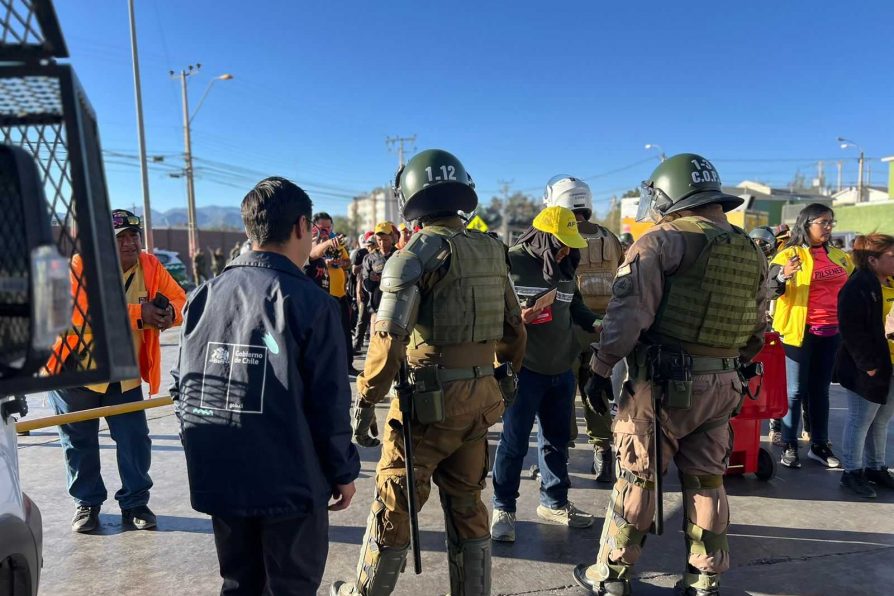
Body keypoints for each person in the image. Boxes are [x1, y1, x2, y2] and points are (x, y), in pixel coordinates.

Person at [331, 149, 526, 596]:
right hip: (479, 400)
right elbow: (514, 330)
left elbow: (387, 341)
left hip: (427, 403)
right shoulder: (492, 249)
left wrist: (365, 400)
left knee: (395, 503)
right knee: (468, 503)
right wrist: (504, 381)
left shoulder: (413, 255)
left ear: (412, 196)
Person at [573, 154, 767, 596]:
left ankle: (613, 575)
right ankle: (705, 579)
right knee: (707, 480)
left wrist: (601, 369)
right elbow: (758, 325)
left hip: (662, 387)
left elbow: (627, 317)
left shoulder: (660, 242)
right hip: (723, 385)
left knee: (638, 475)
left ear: (669, 195)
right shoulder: (748, 249)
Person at [171, 177, 360, 595]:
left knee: (238, 583)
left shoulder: (201, 297)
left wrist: (201, 447)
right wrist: (343, 471)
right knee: (291, 586)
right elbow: (329, 404)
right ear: (301, 227)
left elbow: (182, 387)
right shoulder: (312, 303)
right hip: (290, 483)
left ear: (248, 230)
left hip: (220, 473)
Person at [45, 209, 186, 533]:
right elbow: (80, 315)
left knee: (135, 440)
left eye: (134, 236)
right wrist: (141, 313)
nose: (130, 243)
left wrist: (170, 315)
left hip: (123, 372)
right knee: (79, 444)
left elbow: (180, 298)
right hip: (76, 373)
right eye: (120, 238)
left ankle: (135, 502)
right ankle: (87, 504)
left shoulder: (150, 265)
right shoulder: (82, 266)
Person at [490, 205, 600, 543]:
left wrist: (594, 323)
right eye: (560, 243)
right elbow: (488, 310)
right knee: (514, 443)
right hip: (524, 371)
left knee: (556, 442)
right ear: (541, 239)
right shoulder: (510, 263)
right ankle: (503, 508)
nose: (566, 250)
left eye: (569, 243)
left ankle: (554, 502)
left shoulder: (565, 266)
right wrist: (516, 320)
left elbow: (574, 304)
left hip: (561, 369)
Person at [543, 175, 625, 482]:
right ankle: (603, 453)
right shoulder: (610, 237)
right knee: (597, 391)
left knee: (560, 392)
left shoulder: (555, 236)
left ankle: (557, 455)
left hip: (566, 325)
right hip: (603, 328)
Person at [769, 203, 853, 469]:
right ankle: (789, 443)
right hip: (798, 332)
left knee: (820, 390)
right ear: (806, 225)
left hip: (832, 333)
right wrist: (783, 276)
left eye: (831, 222)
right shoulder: (788, 255)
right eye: (822, 222)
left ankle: (819, 444)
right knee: (794, 392)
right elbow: (769, 289)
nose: (828, 227)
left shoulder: (841, 257)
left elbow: (851, 292)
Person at [835, 234, 894, 498]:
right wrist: (868, 365)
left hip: (890, 365)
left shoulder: (889, 283)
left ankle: (876, 467)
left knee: (881, 419)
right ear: (873, 260)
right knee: (861, 420)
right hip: (869, 367)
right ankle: (852, 472)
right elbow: (852, 330)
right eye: (892, 256)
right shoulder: (858, 286)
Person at [311, 212, 357, 374]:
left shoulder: (337, 242)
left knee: (345, 332)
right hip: (323, 296)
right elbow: (312, 256)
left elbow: (347, 262)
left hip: (340, 294)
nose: (327, 231)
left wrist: (339, 262)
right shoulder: (312, 243)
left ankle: (348, 365)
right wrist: (326, 258)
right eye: (323, 228)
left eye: (329, 227)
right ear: (314, 228)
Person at [360, 221, 396, 331]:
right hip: (376, 309)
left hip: (396, 309)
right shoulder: (369, 258)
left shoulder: (399, 255)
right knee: (376, 344)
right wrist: (370, 280)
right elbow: (365, 284)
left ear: (392, 237)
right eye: (379, 240)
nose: (382, 243)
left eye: (385, 240)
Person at [350, 232, 376, 353]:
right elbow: (356, 273)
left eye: (372, 244)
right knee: (362, 319)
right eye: (369, 244)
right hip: (365, 291)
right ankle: (357, 344)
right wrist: (358, 290)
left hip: (376, 292)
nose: (370, 246)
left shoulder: (378, 255)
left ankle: (373, 345)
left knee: (374, 321)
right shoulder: (362, 254)